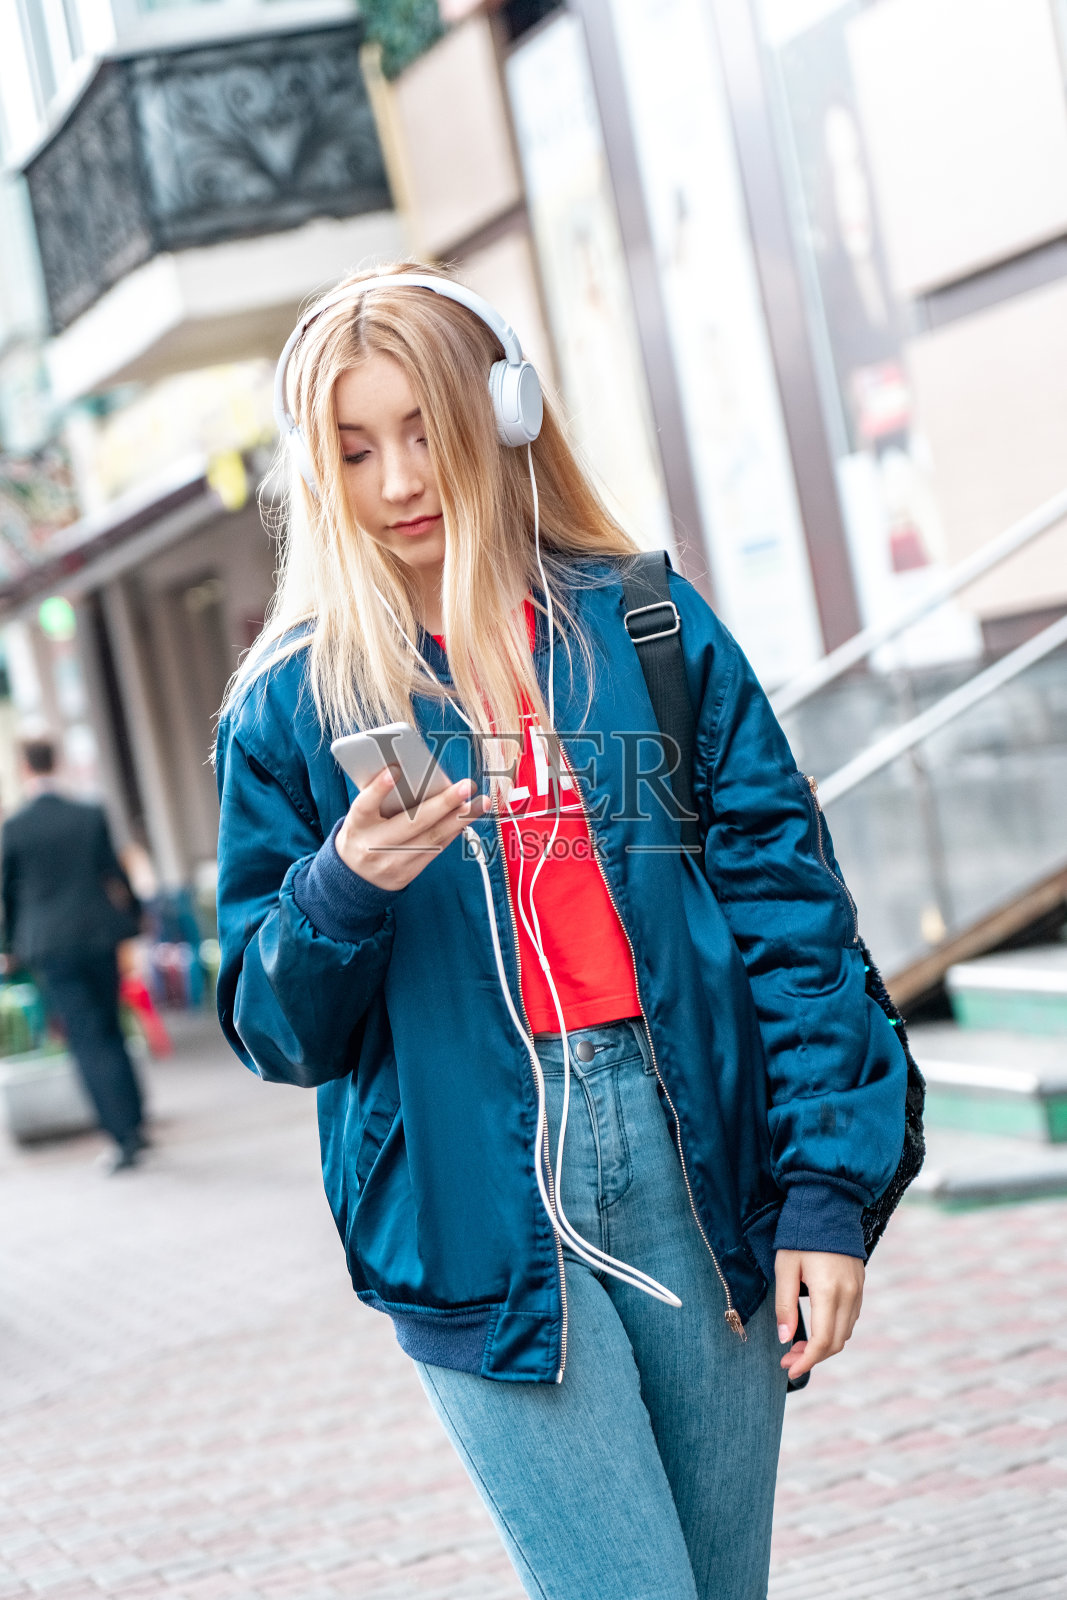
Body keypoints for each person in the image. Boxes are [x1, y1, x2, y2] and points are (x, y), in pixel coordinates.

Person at [214, 265, 908, 1600]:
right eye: (354, 450)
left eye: (424, 429)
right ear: (315, 472)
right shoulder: (291, 709)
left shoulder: (644, 625)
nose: (398, 479)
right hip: (479, 1196)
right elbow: (272, 1025)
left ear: (503, 413)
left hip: (690, 1154)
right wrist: (340, 887)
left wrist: (824, 1190)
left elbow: (789, 920)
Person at [1, 737, 146, 1172]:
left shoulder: (14, 827)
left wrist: (8, 947)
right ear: (56, 762)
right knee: (112, 1028)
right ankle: (135, 1123)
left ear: (26, 768)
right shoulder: (88, 813)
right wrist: (137, 915)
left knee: (85, 1038)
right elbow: (115, 871)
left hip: (51, 946)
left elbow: (7, 895)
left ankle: (121, 1138)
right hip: (99, 935)